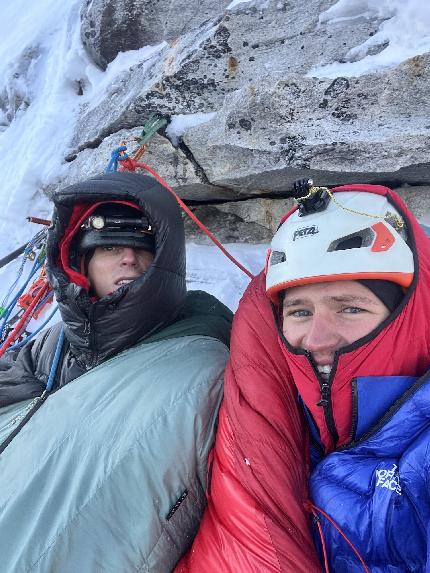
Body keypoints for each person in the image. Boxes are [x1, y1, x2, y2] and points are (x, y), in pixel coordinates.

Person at [175, 182, 430, 572]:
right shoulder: (276, 408)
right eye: (299, 312)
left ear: (408, 317)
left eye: (349, 308)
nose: (317, 340)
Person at [0, 171, 232, 572]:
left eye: (143, 249)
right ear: (81, 264)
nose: (127, 258)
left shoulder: (208, 345)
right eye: (108, 247)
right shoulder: (59, 342)